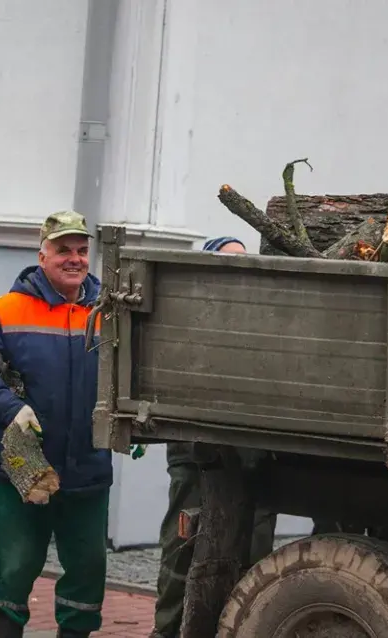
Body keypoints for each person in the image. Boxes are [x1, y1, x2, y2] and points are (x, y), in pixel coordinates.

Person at [0, 211, 112, 638]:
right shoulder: (5, 310)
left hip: (88, 466)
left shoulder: (109, 311)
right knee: (14, 563)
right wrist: (10, 408)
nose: (75, 259)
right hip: (21, 469)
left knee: (88, 567)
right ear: (42, 255)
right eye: (63, 250)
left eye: (82, 250)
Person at [149, 236, 277, 638]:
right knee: (182, 557)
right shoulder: (186, 321)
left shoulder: (266, 324)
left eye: (242, 262)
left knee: (254, 560)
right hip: (196, 461)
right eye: (227, 260)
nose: (236, 270)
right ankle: (168, 633)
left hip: (254, 463)